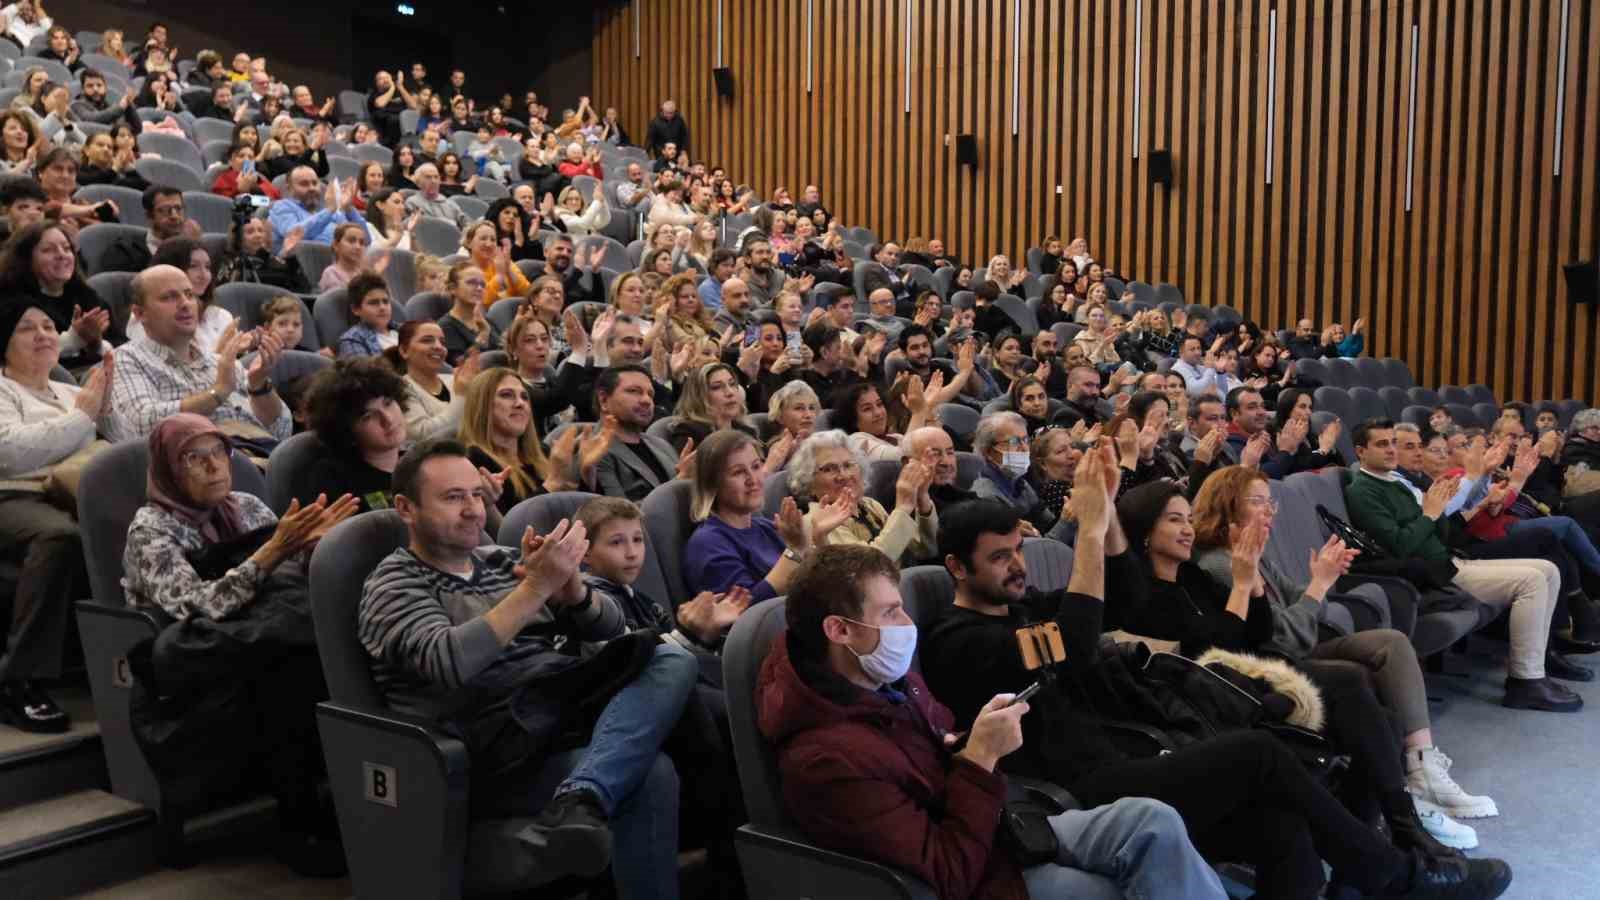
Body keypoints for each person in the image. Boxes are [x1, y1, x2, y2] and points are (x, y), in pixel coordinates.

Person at [921, 485, 1512, 900]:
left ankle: (1378, 869)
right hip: (1077, 790)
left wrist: (1112, 519)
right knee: (1258, 754)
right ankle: (1398, 875)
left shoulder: (1022, 609)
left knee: (1282, 820)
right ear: (955, 566)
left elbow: (1123, 601)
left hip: (1131, 753)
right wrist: (1089, 535)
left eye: (1018, 551)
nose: (1017, 567)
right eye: (1000, 559)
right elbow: (1078, 640)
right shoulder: (959, 640)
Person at [760, 542, 1230, 900]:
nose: (906, 622)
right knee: (1116, 888)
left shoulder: (887, 686)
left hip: (1004, 830)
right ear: (839, 630)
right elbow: (948, 870)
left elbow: (939, 762)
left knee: (1150, 818)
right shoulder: (823, 759)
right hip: (983, 876)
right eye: (889, 611)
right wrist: (980, 758)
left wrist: (969, 742)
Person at [359, 441, 696, 895]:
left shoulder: (498, 561)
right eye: (453, 497)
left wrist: (573, 591)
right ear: (406, 508)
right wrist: (537, 587)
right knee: (654, 770)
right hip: (491, 739)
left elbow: (609, 627)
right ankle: (591, 797)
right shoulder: (393, 583)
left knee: (668, 656)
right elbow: (449, 661)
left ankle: (583, 796)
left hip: (555, 706)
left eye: (476, 495)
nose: (473, 510)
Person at [1185, 466, 1497, 846]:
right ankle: (1400, 801)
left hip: (1295, 645)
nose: (1269, 511)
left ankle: (1420, 763)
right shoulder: (1221, 564)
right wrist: (1319, 584)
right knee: (1358, 679)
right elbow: (1286, 637)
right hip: (1266, 665)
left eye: (1271, 502)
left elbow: (1297, 602)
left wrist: (1321, 579)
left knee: (1391, 644)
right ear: (1227, 506)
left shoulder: (1250, 554)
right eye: (1257, 502)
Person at [122, 413, 357, 876]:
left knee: (307, 648)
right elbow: (197, 608)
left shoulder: (247, 506)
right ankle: (298, 819)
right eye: (195, 457)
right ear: (169, 467)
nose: (214, 467)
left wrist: (313, 550)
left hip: (255, 643)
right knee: (289, 666)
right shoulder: (150, 530)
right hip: (191, 670)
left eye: (220, 453)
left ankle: (318, 805)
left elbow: (284, 583)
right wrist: (273, 551)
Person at [1345, 419, 1576, 711]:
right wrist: (1429, 514)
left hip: (1450, 560)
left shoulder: (1396, 483)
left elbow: (1444, 533)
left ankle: (1536, 668)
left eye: (1393, 442)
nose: (1391, 450)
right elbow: (1400, 546)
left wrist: (1442, 511)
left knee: (1548, 569)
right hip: (1435, 574)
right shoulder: (1363, 490)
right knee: (1531, 580)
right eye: (1382, 444)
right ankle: (1525, 681)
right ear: (1360, 451)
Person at [0, 300, 115, 732]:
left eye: (49, 325)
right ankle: (17, 679)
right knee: (58, 537)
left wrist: (104, 411)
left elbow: (115, 449)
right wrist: (84, 416)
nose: (44, 334)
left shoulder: (70, 392)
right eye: (27, 329)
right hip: (14, 496)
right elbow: (10, 454)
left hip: (77, 493)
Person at [106, 265, 290, 443]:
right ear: (140, 313)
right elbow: (140, 424)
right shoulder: (127, 358)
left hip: (259, 454)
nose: (185, 303)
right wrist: (217, 392)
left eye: (189, 294)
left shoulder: (220, 362)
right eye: (169, 297)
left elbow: (282, 431)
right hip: (205, 462)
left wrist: (259, 387)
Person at [684, 430, 834, 600]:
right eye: (738, 472)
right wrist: (794, 550)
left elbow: (814, 581)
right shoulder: (708, 543)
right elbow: (745, 611)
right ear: (712, 484)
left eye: (756, 466)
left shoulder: (765, 526)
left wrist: (818, 536)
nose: (753, 479)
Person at [458, 367, 605, 514]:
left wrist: (588, 474)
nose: (520, 403)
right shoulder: (472, 461)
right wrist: (553, 483)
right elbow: (508, 531)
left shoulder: (543, 452)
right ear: (482, 405)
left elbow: (585, 516)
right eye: (506, 395)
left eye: (524, 397)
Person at [787, 429, 939, 565]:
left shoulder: (870, 505)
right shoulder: (815, 522)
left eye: (848, 465)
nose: (844, 476)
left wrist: (922, 497)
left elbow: (925, 550)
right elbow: (870, 568)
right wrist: (903, 508)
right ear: (809, 482)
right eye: (829, 469)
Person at [0, 221, 117, 370]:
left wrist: (96, 344)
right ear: (26, 259)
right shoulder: (11, 303)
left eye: (67, 248)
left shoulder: (87, 296)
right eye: (48, 250)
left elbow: (120, 346)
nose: (62, 255)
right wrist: (74, 339)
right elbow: (19, 356)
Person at [970, 411, 1074, 542]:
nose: (1025, 448)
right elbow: (1038, 551)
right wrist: (1066, 521)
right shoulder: (987, 496)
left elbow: (1048, 523)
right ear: (989, 452)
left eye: (1025, 440)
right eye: (1014, 442)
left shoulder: (1019, 482)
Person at [589, 364, 683, 502]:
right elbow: (618, 514)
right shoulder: (593, 451)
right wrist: (679, 483)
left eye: (650, 394)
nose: (646, 401)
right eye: (634, 391)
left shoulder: (661, 445)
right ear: (603, 400)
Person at [126, 238, 232, 355]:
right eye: (193, 266)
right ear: (169, 268)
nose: (204, 275)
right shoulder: (148, 316)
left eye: (207, 267)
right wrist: (221, 355)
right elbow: (160, 365)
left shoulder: (221, 316)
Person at [385, 320, 483, 442]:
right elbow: (422, 436)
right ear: (404, 351)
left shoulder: (456, 379)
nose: (438, 346)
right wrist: (462, 396)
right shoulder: (400, 388)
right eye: (427, 340)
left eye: (442, 342)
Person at [667, 362, 757, 454]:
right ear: (698, 396)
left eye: (732, 384)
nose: (730, 392)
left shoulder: (746, 431)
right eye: (716, 387)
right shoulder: (689, 434)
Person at [268, 166, 364, 251]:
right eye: (304, 184)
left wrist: (349, 208)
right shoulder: (282, 207)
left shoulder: (327, 212)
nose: (312, 188)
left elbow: (365, 240)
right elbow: (294, 235)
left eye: (315, 183)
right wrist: (329, 210)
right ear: (289, 188)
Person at [213, 215, 311, 293]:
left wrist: (290, 257)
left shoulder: (273, 260)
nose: (258, 235)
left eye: (260, 230)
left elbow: (304, 289)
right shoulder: (230, 261)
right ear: (238, 238)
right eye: (250, 232)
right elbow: (223, 291)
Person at [437, 261, 502, 365]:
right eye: (471, 282)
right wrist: (483, 335)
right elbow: (461, 365)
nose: (479, 288)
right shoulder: (445, 326)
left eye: (482, 284)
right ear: (452, 288)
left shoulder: (488, 321)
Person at [405, 162, 468, 229]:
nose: (433, 181)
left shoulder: (450, 204)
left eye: (436, 177)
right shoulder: (412, 203)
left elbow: (467, 225)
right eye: (428, 177)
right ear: (418, 182)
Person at [211, 143, 281, 200]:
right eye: (241, 156)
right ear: (231, 161)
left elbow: (275, 198)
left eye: (250, 157)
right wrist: (239, 190)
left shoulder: (260, 178)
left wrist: (255, 189)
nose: (246, 160)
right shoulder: (225, 178)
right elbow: (220, 203)